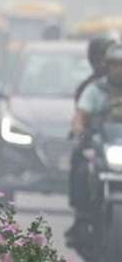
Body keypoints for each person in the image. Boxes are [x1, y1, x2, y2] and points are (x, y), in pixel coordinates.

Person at [67, 41, 121, 244]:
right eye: (115, 64)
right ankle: (83, 215)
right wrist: (79, 130)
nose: (119, 69)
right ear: (108, 66)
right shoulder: (95, 90)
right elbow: (80, 116)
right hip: (102, 148)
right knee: (82, 168)